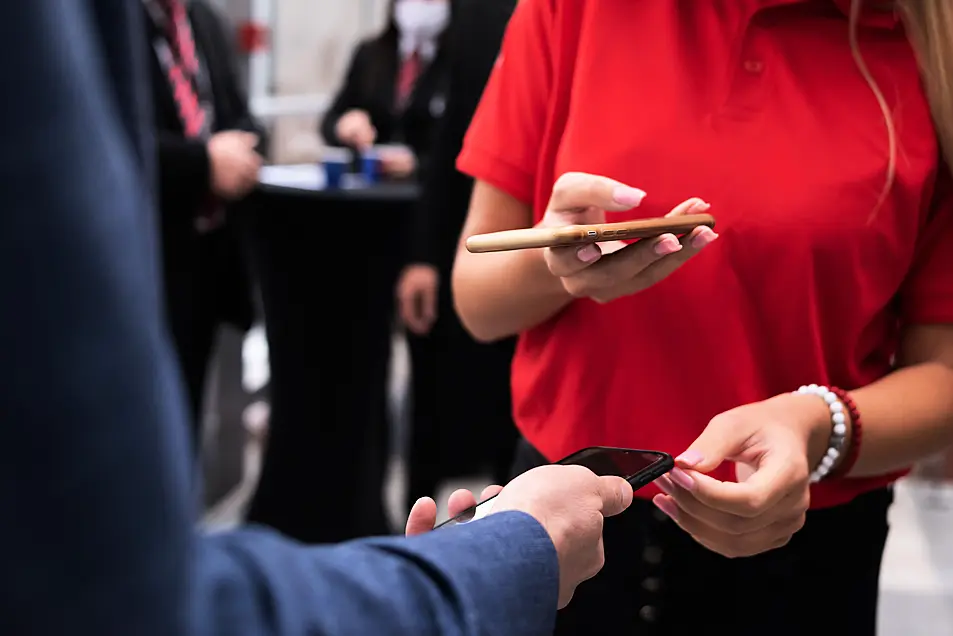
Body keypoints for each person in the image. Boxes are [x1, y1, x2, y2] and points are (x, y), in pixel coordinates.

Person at [0, 1, 637, 634]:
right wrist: (506, 556)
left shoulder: (202, 28)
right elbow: (121, 593)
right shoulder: (541, 21)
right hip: (547, 468)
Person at [451, 0, 953, 634]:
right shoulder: (573, 12)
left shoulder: (925, 45)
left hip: (806, 555)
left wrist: (816, 423)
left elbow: (944, 371)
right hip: (568, 522)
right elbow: (476, 299)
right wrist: (555, 264)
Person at [396, 0, 519, 514]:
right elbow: (453, 137)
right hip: (470, 234)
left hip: (551, 238)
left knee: (510, 415)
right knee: (437, 394)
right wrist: (423, 255)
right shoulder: (477, 14)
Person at [143, 0, 265, 440]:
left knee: (188, 416)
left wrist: (245, 147)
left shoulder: (202, 21)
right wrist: (203, 162)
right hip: (146, 259)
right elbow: (112, 137)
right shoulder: (113, 24)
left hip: (208, 259)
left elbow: (240, 113)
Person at [319, 0, 451, 178]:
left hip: (427, 190)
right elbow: (330, 120)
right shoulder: (371, 54)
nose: (420, 5)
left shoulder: (457, 63)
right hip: (370, 188)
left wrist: (419, 164)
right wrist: (344, 126)